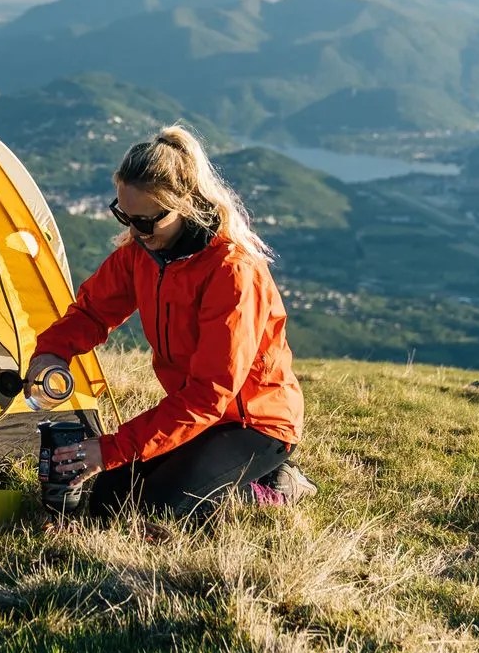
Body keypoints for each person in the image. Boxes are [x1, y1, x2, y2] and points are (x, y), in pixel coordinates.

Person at [27, 126, 305, 519]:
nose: (134, 232)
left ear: (185, 205)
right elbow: (92, 312)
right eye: (124, 216)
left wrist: (109, 449)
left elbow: (210, 393)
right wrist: (53, 351)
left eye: (145, 221)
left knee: (160, 510)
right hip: (195, 417)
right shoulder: (142, 251)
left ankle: (274, 484)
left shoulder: (232, 271)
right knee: (110, 498)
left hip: (253, 423)